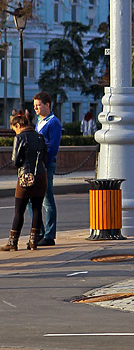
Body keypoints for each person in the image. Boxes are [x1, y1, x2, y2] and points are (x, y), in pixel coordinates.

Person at [1, 112, 47, 251]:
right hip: (40, 176)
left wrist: (22, 163)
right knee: (37, 208)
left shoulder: (20, 137)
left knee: (19, 211)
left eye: (14, 128)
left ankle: (12, 242)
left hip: (25, 177)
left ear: (19, 125)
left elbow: (15, 161)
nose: (15, 132)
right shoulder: (40, 137)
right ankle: (33, 241)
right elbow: (45, 156)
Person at [33, 92, 62, 247]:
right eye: (35, 106)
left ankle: (49, 235)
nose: (36, 108)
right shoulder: (39, 121)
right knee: (32, 199)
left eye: (38, 105)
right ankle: (39, 231)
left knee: (47, 199)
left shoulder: (53, 123)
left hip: (46, 165)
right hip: (36, 164)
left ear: (47, 105)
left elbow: (53, 147)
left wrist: (45, 163)